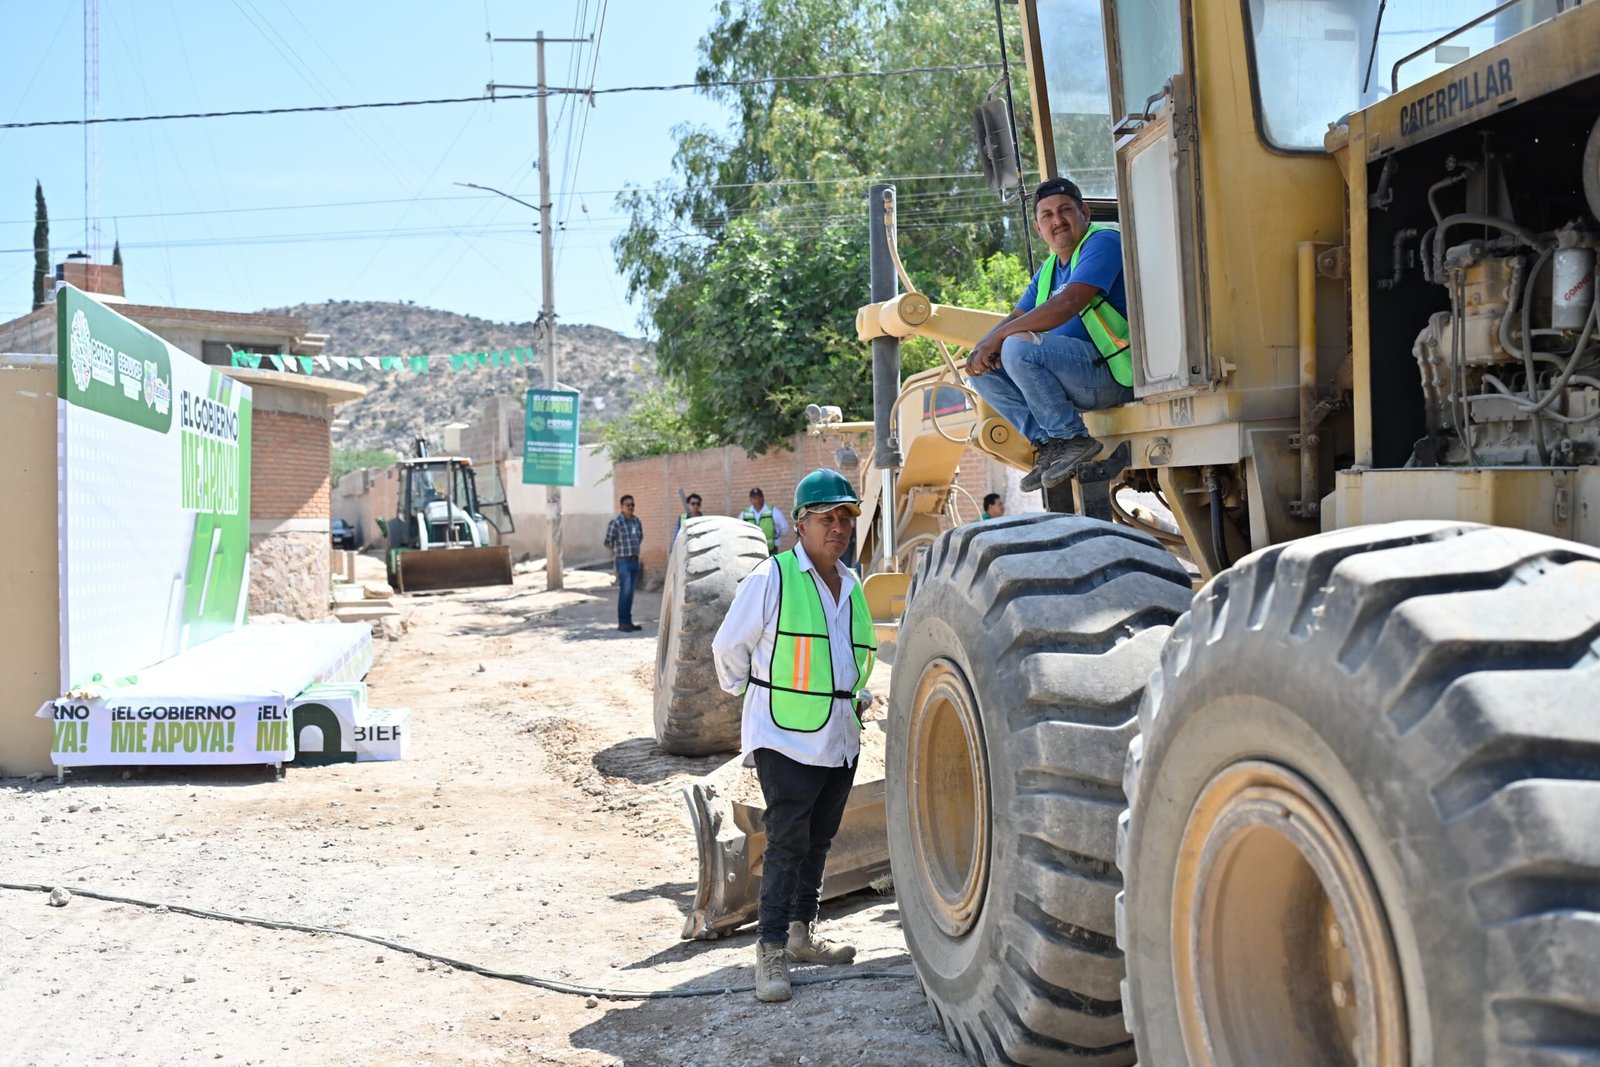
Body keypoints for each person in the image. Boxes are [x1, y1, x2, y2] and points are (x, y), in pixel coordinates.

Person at [712, 468, 877, 1004]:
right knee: (786, 842)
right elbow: (727, 650)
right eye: (827, 518)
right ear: (801, 524)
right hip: (783, 736)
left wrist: (856, 694)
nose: (839, 528)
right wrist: (755, 698)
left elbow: (852, 656)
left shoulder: (851, 584)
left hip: (839, 735)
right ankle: (770, 952)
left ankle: (803, 934)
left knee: (819, 840)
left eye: (846, 518)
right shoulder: (772, 577)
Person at [964, 176, 1134, 493]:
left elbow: (1068, 302)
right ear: (1037, 228)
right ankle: (1050, 445)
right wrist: (981, 350)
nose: (1057, 220)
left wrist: (1000, 340)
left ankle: (1072, 438)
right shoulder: (1049, 270)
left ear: (1085, 212)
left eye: (1065, 210)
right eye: (1047, 215)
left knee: (1015, 345)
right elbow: (1015, 316)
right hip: (1077, 380)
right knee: (982, 369)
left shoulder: (1102, 243)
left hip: (1114, 375)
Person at [603, 495, 643, 633]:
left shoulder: (636, 521)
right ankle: (622, 622)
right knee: (625, 592)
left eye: (632, 505)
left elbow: (640, 537)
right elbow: (608, 542)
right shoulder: (616, 523)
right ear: (621, 507)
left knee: (630, 593)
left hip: (634, 561)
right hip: (623, 561)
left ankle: (628, 621)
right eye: (628, 505)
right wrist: (618, 552)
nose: (630, 507)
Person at [739, 487, 790, 555]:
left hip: (770, 550)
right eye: (754, 498)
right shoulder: (744, 514)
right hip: (751, 551)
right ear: (750, 499)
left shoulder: (773, 511)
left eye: (759, 497)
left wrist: (775, 537)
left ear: (763, 497)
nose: (757, 500)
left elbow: (784, 528)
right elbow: (739, 530)